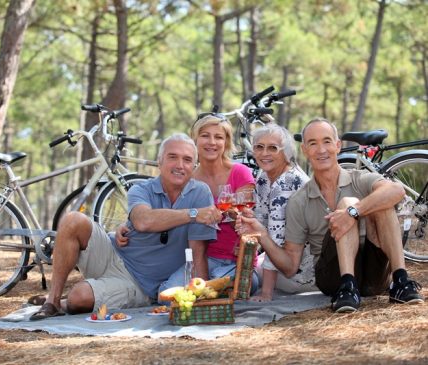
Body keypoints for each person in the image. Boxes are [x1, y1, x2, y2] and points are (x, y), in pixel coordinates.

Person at [237, 117, 424, 312]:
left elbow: (396, 191)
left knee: (379, 201)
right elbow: (290, 266)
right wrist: (263, 235)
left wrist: (352, 212)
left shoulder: (359, 179)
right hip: (332, 278)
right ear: (305, 150)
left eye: (326, 141)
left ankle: (401, 281)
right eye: (312, 143)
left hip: (373, 275)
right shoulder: (299, 200)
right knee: (348, 203)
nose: (321, 149)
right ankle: (347, 286)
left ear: (337, 146)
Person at [29, 133, 223, 320]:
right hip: (111, 253)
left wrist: (200, 294)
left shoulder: (200, 194)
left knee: (78, 298)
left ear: (194, 166)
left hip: (138, 284)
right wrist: (193, 214)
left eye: (187, 160)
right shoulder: (141, 189)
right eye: (172, 157)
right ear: (160, 161)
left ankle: (67, 302)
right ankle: (52, 302)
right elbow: (143, 221)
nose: (180, 165)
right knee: (73, 220)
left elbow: (198, 254)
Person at [117, 114, 260, 296]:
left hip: (234, 259)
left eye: (218, 137)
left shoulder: (240, 172)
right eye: (205, 135)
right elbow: (165, 206)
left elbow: (245, 217)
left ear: (226, 142)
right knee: (166, 294)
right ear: (195, 140)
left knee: (240, 286)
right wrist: (128, 223)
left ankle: (233, 289)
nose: (212, 142)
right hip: (202, 258)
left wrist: (230, 214)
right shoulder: (185, 177)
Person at [247, 123, 316, 302]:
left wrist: (266, 293)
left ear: (286, 153)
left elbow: (274, 240)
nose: (264, 153)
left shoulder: (287, 183)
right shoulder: (264, 177)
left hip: (303, 274)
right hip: (285, 260)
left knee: (247, 274)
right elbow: (260, 221)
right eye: (259, 147)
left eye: (272, 148)